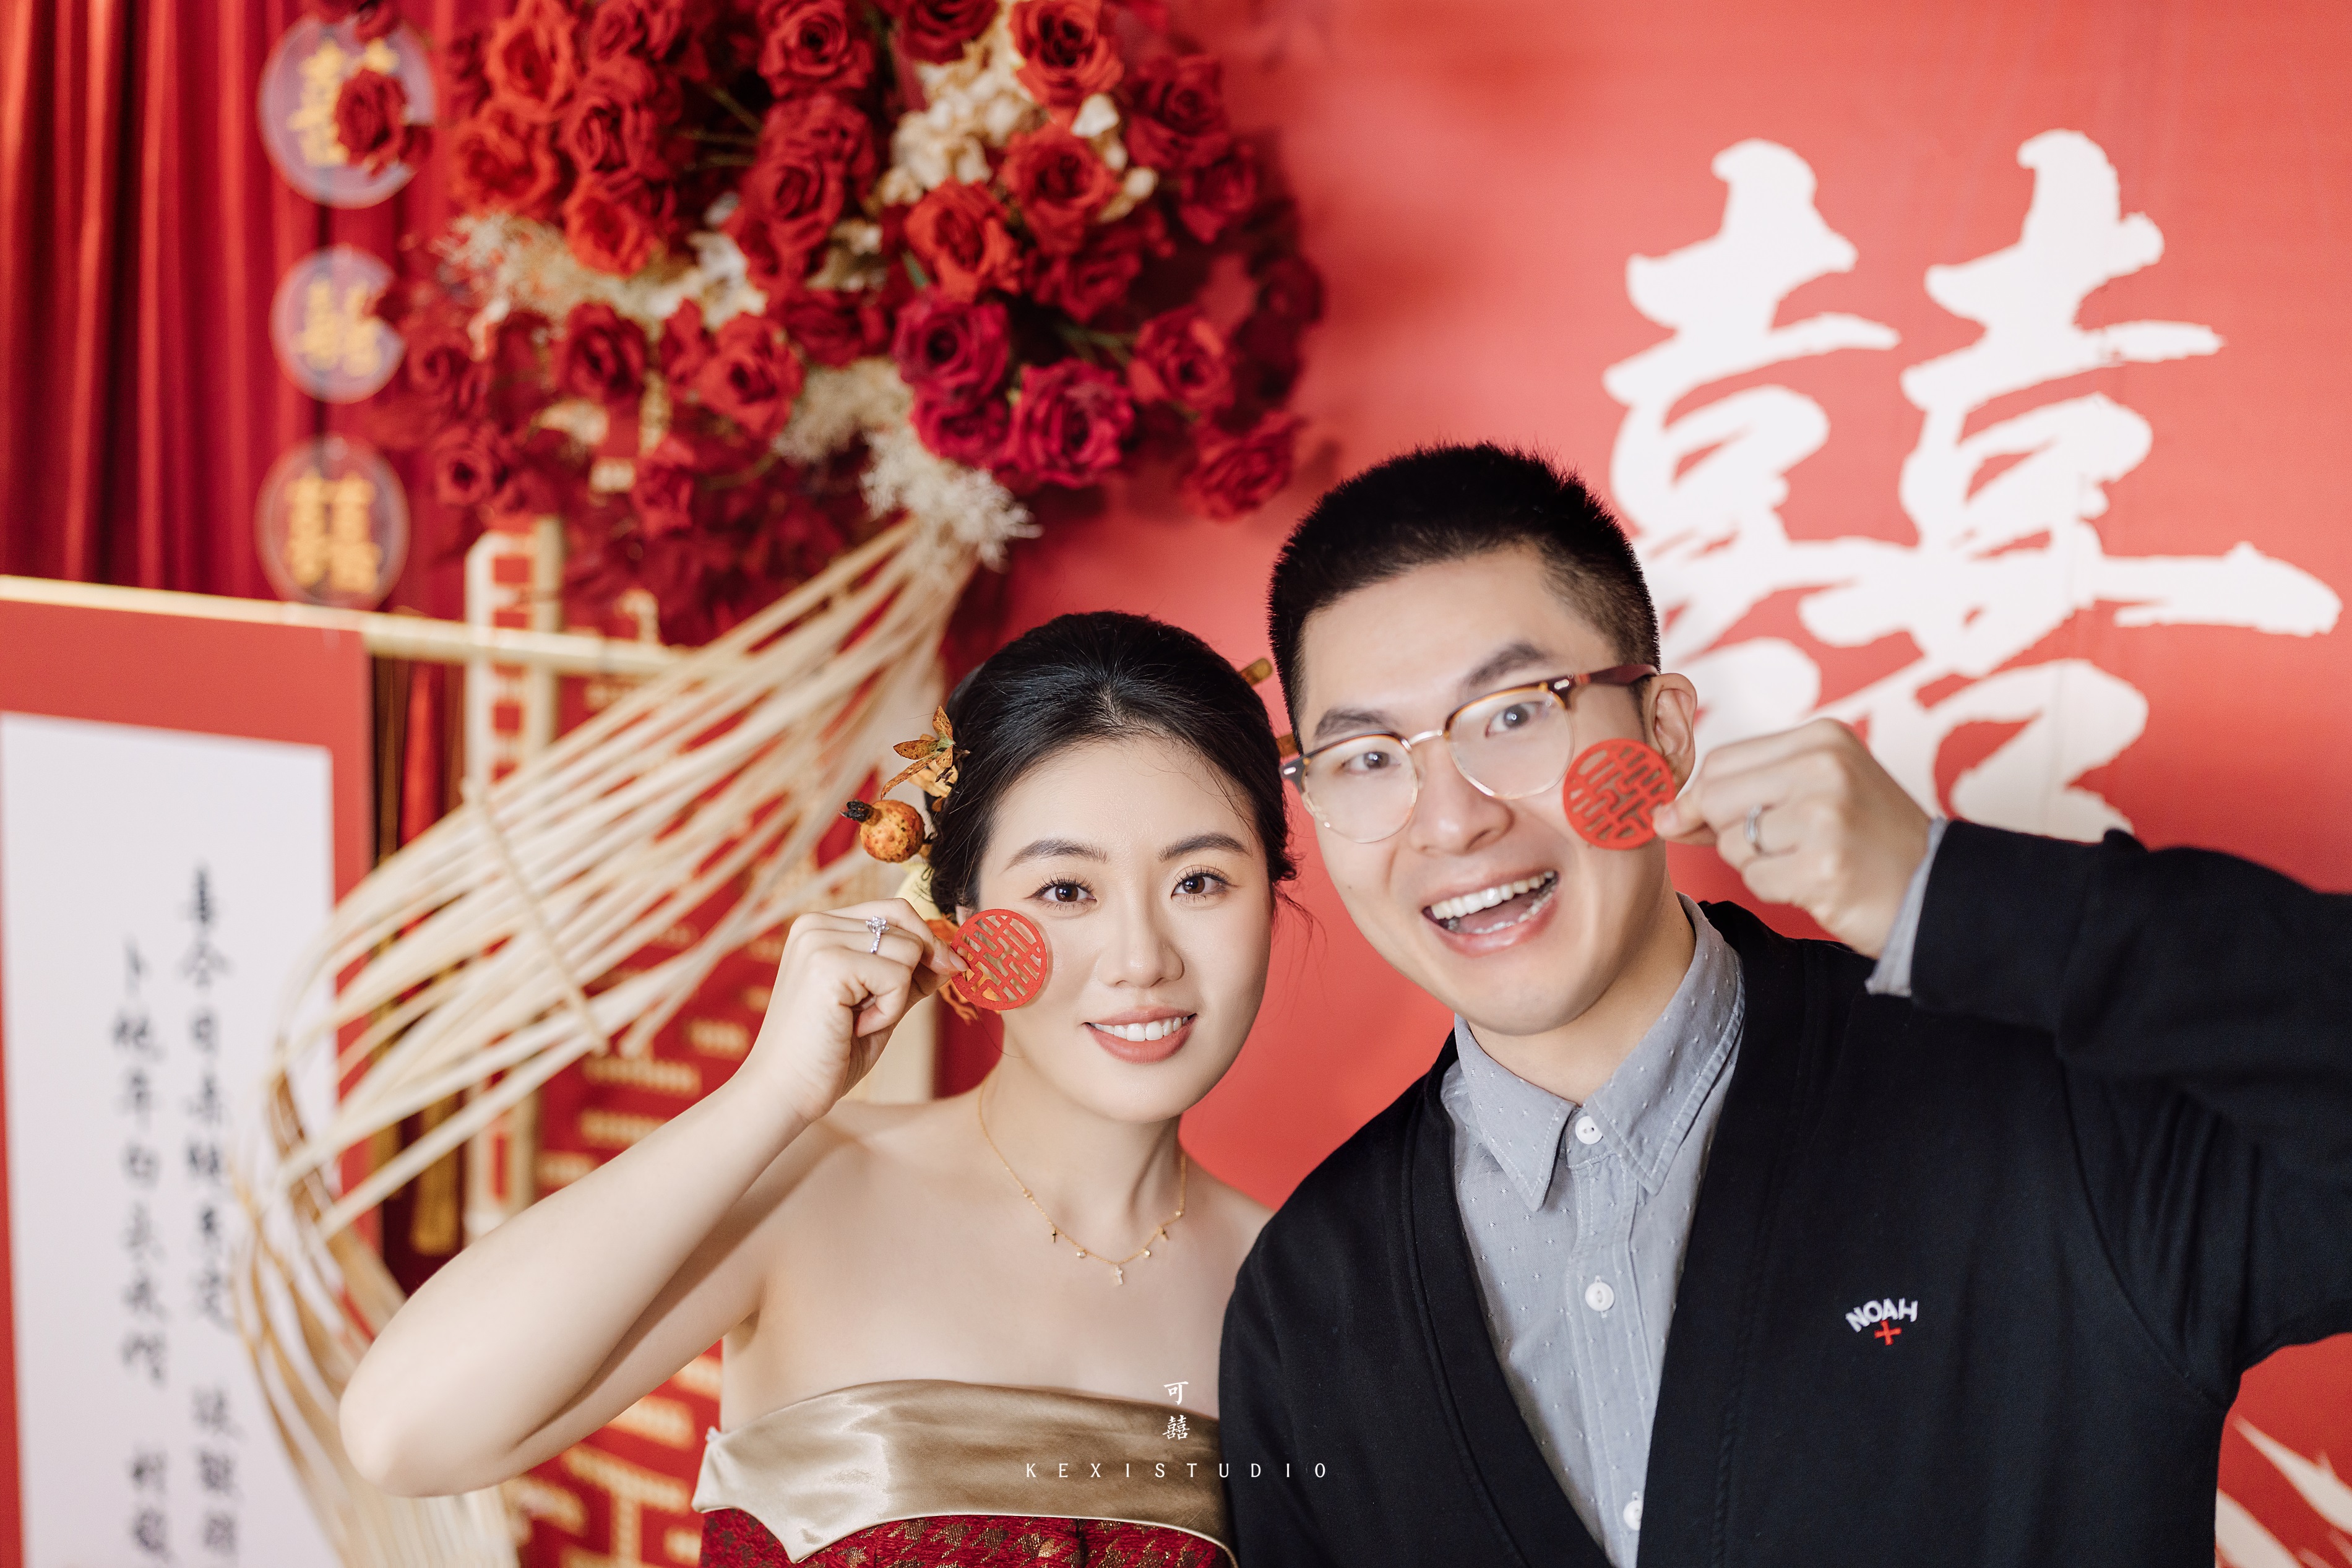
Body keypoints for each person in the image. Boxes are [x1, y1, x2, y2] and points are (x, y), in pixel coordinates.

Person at [1218, 443, 2352, 1565]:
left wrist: (1950, 896)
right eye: (1366, 757)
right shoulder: (1304, 1293)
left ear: (1663, 732)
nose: (1450, 818)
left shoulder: (2050, 1113)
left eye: (1514, 714)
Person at [342, 611, 1298, 1566]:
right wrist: (770, 1096)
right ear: (955, 909)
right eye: (1066, 890)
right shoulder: (812, 1184)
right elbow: (403, 1435)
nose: (1141, 958)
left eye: (1199, 880)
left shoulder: (1305, 1287)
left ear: (1273, 888)